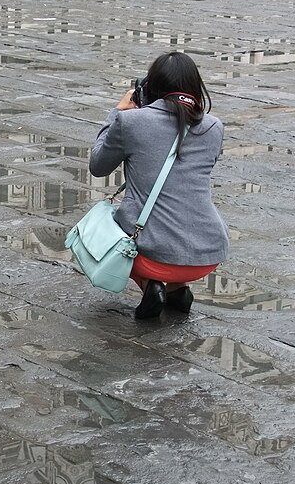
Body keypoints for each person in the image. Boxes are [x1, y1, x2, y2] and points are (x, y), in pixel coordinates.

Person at [89, 51, 228, 320]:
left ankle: (150, 285)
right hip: (206, 254)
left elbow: (98, 166)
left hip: (152, 258)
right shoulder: (214, 127)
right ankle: (179, 289)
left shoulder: (130, 121)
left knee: (105, 228)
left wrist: (117, 112)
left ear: (151, 87)